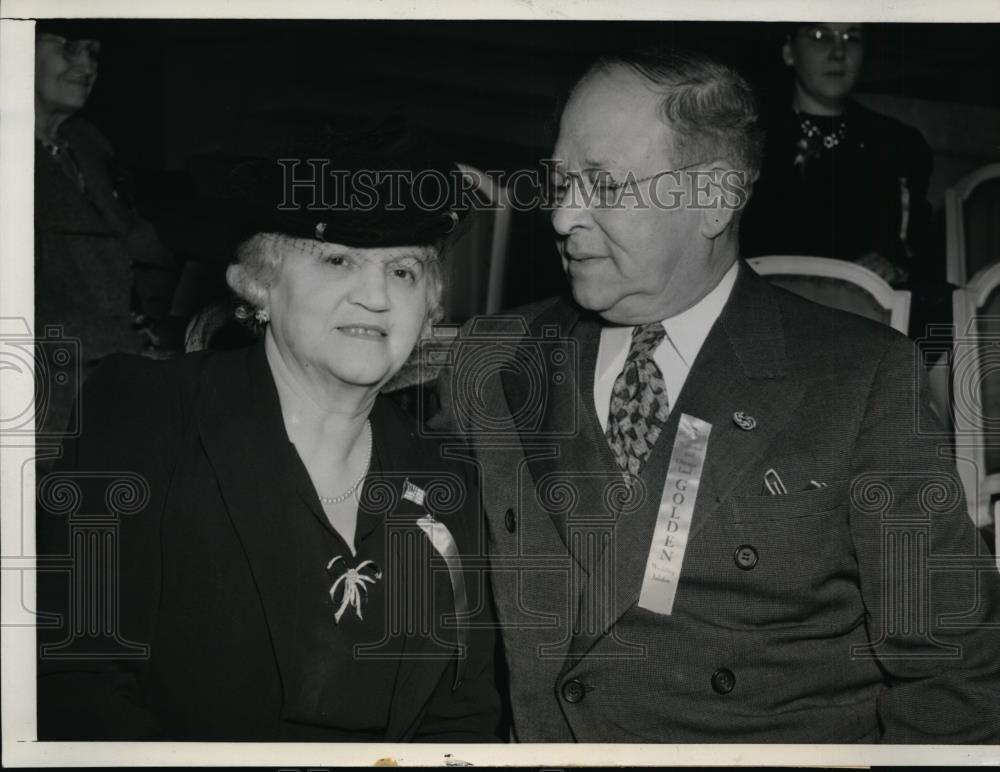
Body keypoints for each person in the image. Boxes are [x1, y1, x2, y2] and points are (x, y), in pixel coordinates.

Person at [432, 49, 1000, 743]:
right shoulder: (495, 359)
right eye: (559, 180)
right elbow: (428, 620)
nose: (561, 216)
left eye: (604, 186)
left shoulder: (860, 380)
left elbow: (957, 673)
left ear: (716, 198)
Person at [36, 128, 502, 741]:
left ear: (431, 305)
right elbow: (74, 681)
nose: (376, 296)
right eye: (338, 260)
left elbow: (461, 712)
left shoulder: (449, 480)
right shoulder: (150, 417)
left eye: (405, 271)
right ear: (259, 284)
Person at [34, 20, 178, 442]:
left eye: (93, 52)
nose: (86, 65)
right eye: (69, 47)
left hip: (116, 360)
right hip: (43, 381)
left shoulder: (87, 143)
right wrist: (126, 344)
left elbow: (136, 248)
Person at [740, 23, 937, 289]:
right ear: (789, 50)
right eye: (820, 36)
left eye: (852, 38)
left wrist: (896, 268)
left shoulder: (899, 144)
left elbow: (919, 252)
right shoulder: (745, 139)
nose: (838, 52)